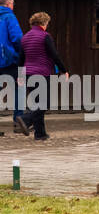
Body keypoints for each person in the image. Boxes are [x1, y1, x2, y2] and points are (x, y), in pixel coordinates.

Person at [13, 13, 64, 141]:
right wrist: (64, 70)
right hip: (41, 73)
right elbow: (54, 55)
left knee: (37, 104)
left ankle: (40, 134)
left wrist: (20, 75)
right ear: (44, 23)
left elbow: (21, 58)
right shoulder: (45, 36)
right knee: (44, 104)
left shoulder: (25, 37)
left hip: (29, 74)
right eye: (47, 24)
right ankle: (25, 119)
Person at [0, 0, 25, 132]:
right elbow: (17, 38)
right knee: (19, 89)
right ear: (9, 4)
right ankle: (18, 122)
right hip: (10, 61)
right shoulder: (9, 16)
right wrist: (22, 56)